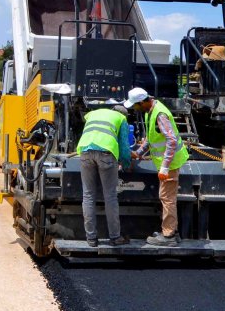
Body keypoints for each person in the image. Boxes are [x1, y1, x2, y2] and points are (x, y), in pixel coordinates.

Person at [125, 87, 187, 246]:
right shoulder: (150, 112)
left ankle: (168, 236)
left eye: (135, 105)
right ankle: (172, 231)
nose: (134, 109)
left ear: (142, 102)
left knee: (167, 198)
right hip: (167, 163)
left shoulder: (160, 114)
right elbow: (151, 138)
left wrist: (165, 167)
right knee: (168, 198)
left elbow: (171, 140)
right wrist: (139, 152)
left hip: (170, 163)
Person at [76, 104, 133, 247]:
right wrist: (126, 164)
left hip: (85, 151)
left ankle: (91, 239)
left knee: (88, 195)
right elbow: (124, 146)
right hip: (106, 154)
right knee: (110, 196)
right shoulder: (121, 118)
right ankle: (115, 237)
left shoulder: (94, 113)